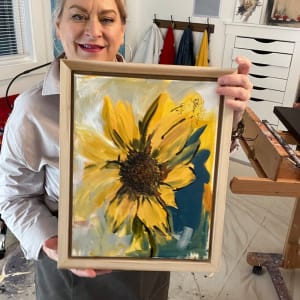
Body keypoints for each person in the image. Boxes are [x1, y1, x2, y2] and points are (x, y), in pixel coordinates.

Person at [0, 0, 253, 299]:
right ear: (58, 27)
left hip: (151, 250)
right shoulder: (33, 109)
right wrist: (50, 240)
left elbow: (195, 164)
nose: (93, 31)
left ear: (122, 30)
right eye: (78, 16)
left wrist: (226, 119)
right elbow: (14, 196)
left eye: (107, 19)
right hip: (70, 263)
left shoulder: (165, 94)